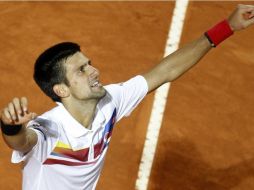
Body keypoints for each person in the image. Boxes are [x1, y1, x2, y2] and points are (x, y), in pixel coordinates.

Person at [1, 4, 254, 190]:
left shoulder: (109, 102)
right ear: (61, 90)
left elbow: (164, 72)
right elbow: (22, 142)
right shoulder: (51, 129)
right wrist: (11, 126)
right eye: (81, 70)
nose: (93, 71)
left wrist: (227, 27)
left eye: (89, 64)